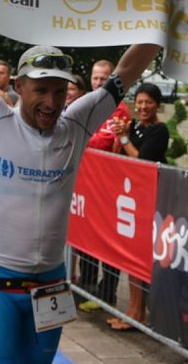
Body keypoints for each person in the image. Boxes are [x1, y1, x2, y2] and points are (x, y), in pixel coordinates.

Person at [0, 0, 187, 364]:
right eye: (40, 90)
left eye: (59, 91)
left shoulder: (78, 120)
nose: (50, 101)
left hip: (50, 286)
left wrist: (164, 11)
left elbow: (128, 69)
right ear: (20, 87)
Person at [106, 82, 169, 331]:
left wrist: (124, 137)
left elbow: (142, 161)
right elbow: (118, 153)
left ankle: (138, 313)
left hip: (150, 199)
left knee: (140, 257)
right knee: (130, 258)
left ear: (157, 105)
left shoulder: (159, 131)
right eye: (140, 102)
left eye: (149, 103)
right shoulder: (135, 128)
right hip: (131, 198)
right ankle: (133, 310)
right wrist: (120, 134)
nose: (143, 107)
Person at [78, 59, 133, 311]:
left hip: (110, 187)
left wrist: (82, 138)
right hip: (88, 183)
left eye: (104, 78)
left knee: (108, 242)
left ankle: (107, 294)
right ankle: (86, 286)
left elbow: (101, 141)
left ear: (112, 79)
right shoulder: (88, 103)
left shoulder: (118, 109)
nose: (99, 83)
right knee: (86, 236)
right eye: (96, 78)